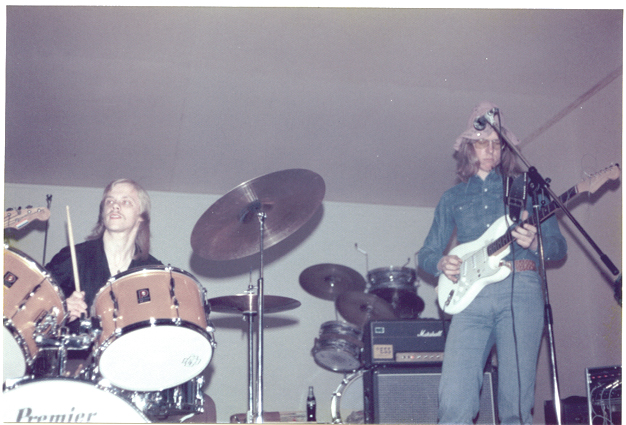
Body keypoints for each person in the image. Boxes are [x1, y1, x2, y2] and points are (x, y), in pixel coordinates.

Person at [417, 101, 567, 425]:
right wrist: (441, 263)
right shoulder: (452, 198)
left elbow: (558, 247)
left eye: (497, 143)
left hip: (521, 289)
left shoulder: (528, 189)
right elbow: (426, 254)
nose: (490, 150)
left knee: (515, 402)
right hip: (470, 297)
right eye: (482, 142)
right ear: (468, 148)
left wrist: (535, 243)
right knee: (453, 398)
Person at [46, 178, 162, 326]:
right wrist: (59, 311)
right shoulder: (73, 256)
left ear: (141, 216)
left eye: (126, 202)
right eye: (110, 201)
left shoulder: (153, 271)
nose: (115, 206)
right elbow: (34, 308)